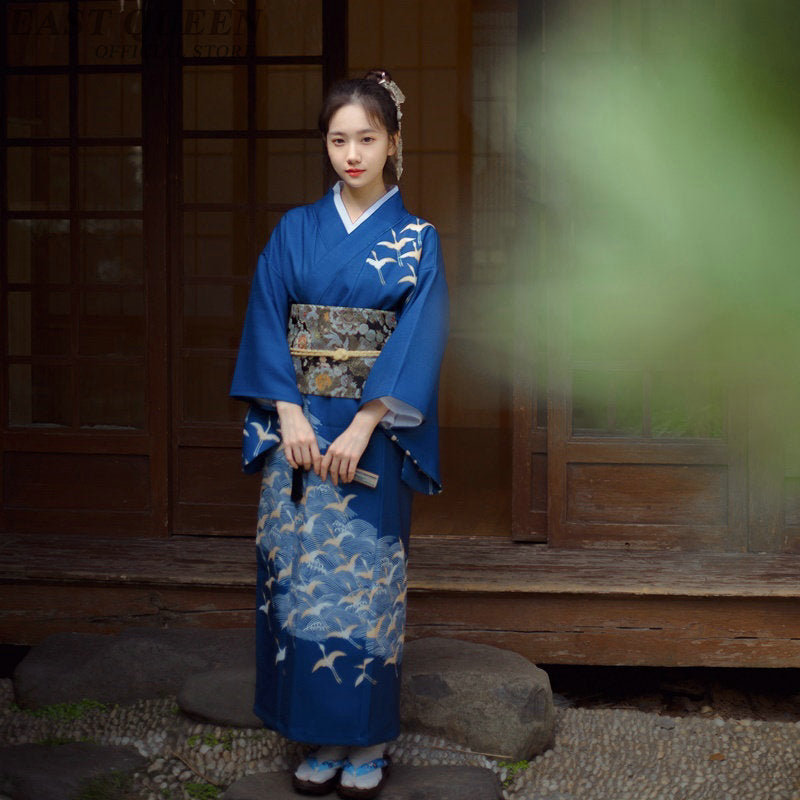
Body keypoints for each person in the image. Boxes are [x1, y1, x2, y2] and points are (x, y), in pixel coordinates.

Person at [230, 69, 448, 799]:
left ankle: (369, 739)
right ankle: (314, 733)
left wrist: (365, 421)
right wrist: (287, 412)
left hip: (371, 439)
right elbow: (267, 314)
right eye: (338, 140)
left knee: (366, 588)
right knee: (298, 581)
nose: (352, 154)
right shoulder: (295, 229)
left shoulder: (417, 241)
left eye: (366, 138)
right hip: (296, 433)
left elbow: (419, 335)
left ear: (392, 143)